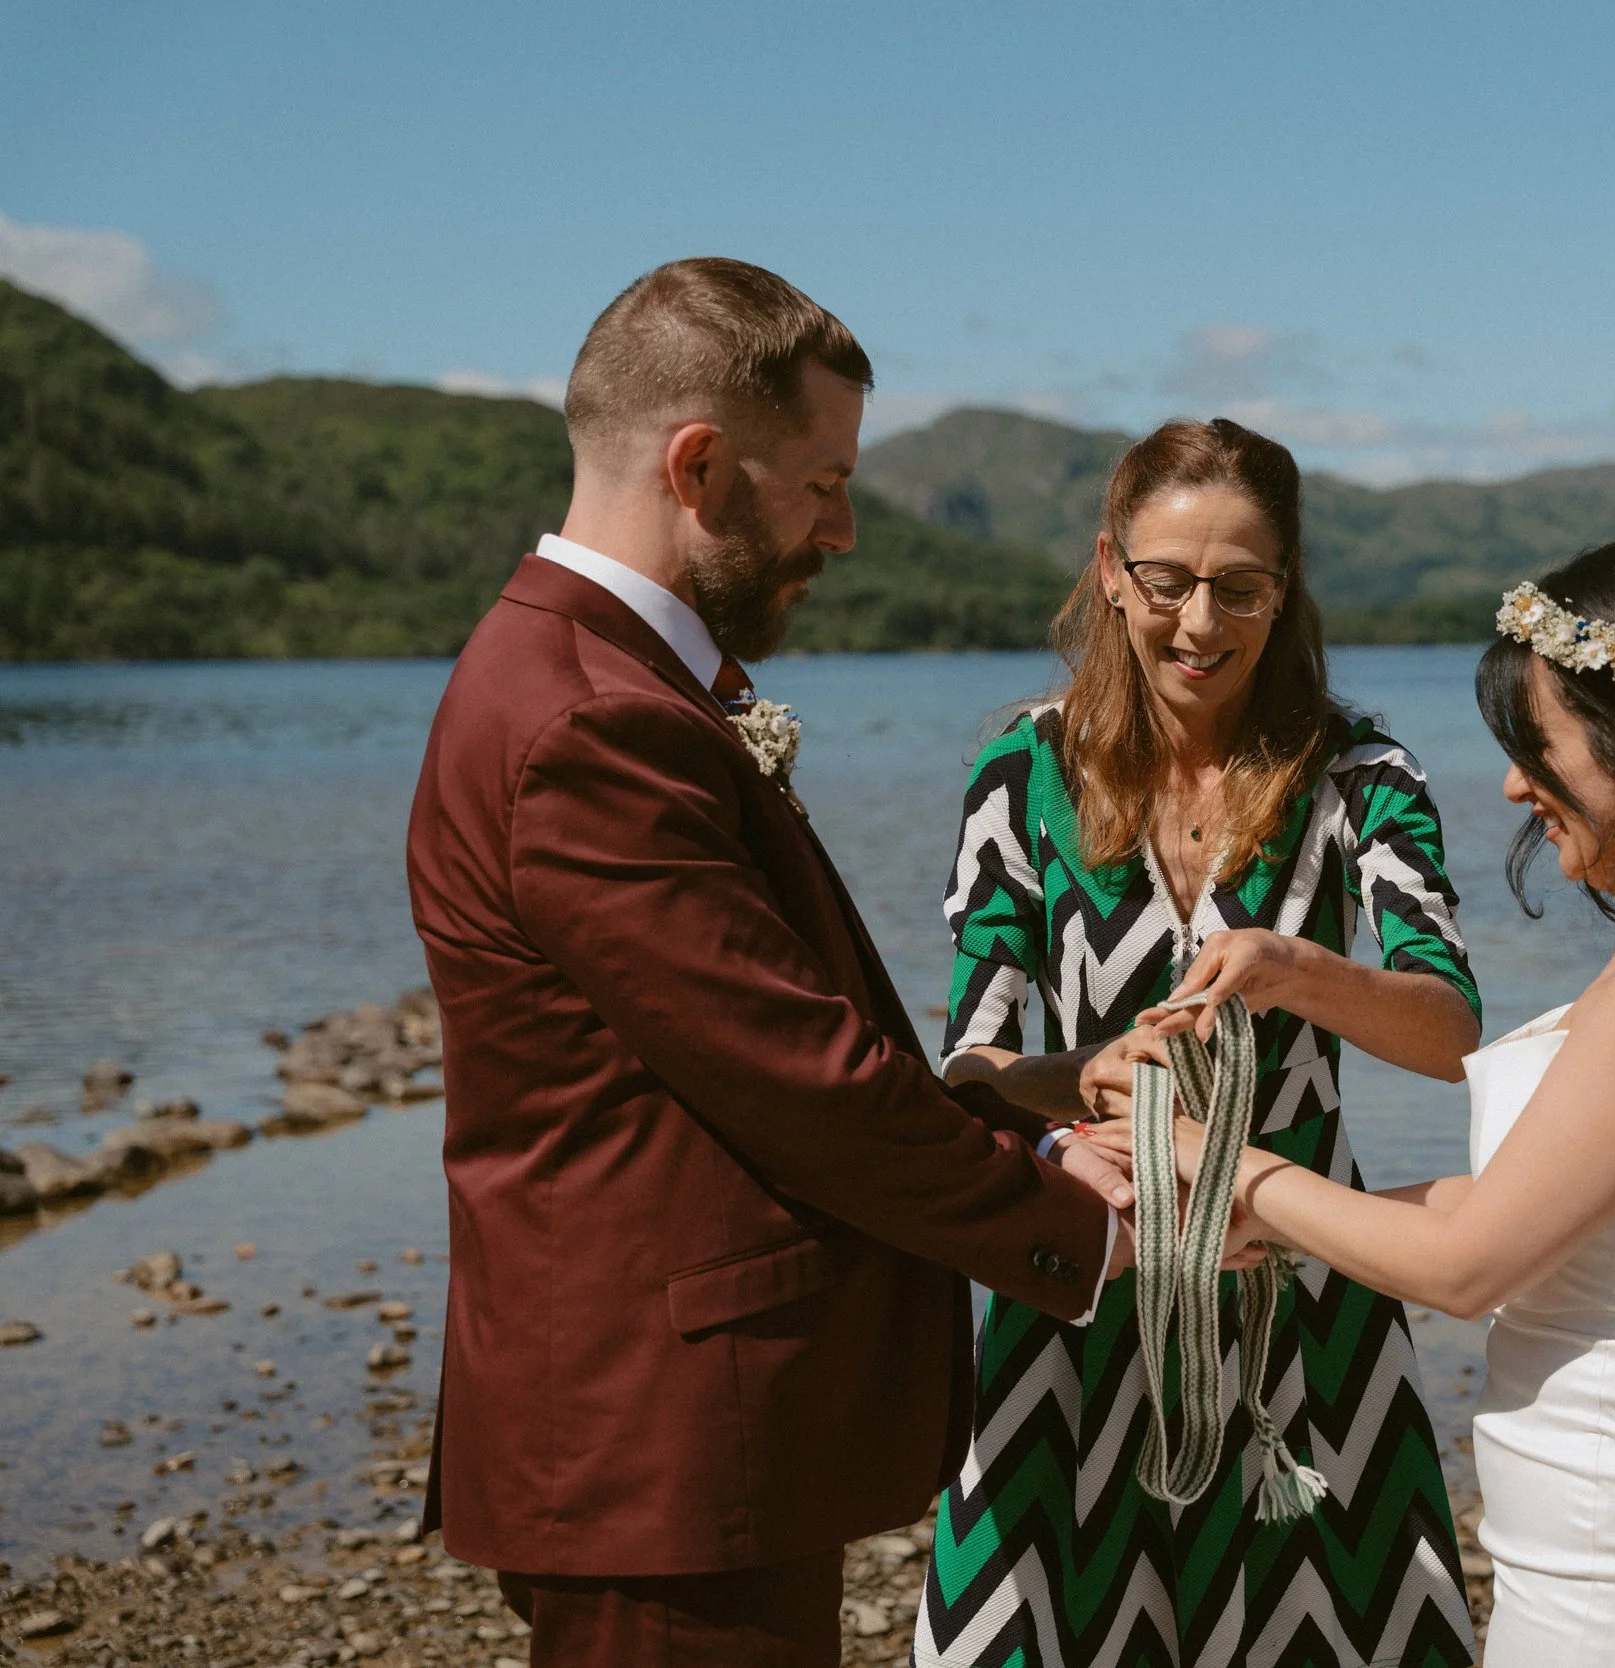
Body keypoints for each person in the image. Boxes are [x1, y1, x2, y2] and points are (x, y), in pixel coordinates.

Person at [405, 257, 1139, 1667]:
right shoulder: (587, 722)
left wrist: (1012, 1097)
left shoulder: (604, 681)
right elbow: (796, 1075)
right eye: (820, 484)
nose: (845, 529)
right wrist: (1083, 1223)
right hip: (660, 1457)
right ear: (696, 466)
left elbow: (717, 1056)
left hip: (666, 1443)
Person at [1117, 540, 1615, 1668]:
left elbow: (1468, 1268)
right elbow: (1504, 1210)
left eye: (1536, 746)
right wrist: (1254, 1226)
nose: (1509, 785)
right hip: (1594, 1536)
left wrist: (1232, 1166)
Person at [913, 419, 1484, 1668]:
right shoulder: (1021, 771)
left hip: (1302, 1299)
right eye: (1167, 584)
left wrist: (1300, 970)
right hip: (1079, 1278)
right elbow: (970, 1067)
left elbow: (1449, 1032)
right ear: (1111, 568)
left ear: (1286, 591)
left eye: (1240, 588)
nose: (1198, 624)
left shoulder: (1362, 777)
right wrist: (1075, 1079)